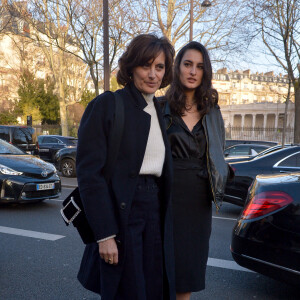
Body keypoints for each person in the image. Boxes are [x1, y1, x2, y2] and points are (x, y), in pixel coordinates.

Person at [76, 34, 176, 300]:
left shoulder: (160, 108)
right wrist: (105, 234)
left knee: (154, 289)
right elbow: (89, 174)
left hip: (154, 209)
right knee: (127, 292)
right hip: (123, 211)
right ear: (131, 67)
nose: (153, 74)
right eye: (146, 65)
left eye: (160, 67)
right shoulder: (108, 105)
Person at [162, 41, 232, 300]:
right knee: (159, 267)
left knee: (187, 273)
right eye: (188, 64)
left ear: (205, 72)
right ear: (177, 67)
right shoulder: (161, 107)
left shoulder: (212, 111)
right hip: (164, 196)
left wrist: (223, 175)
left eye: (199, 67)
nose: (193, 71)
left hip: (198, 199)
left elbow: (217, 153)